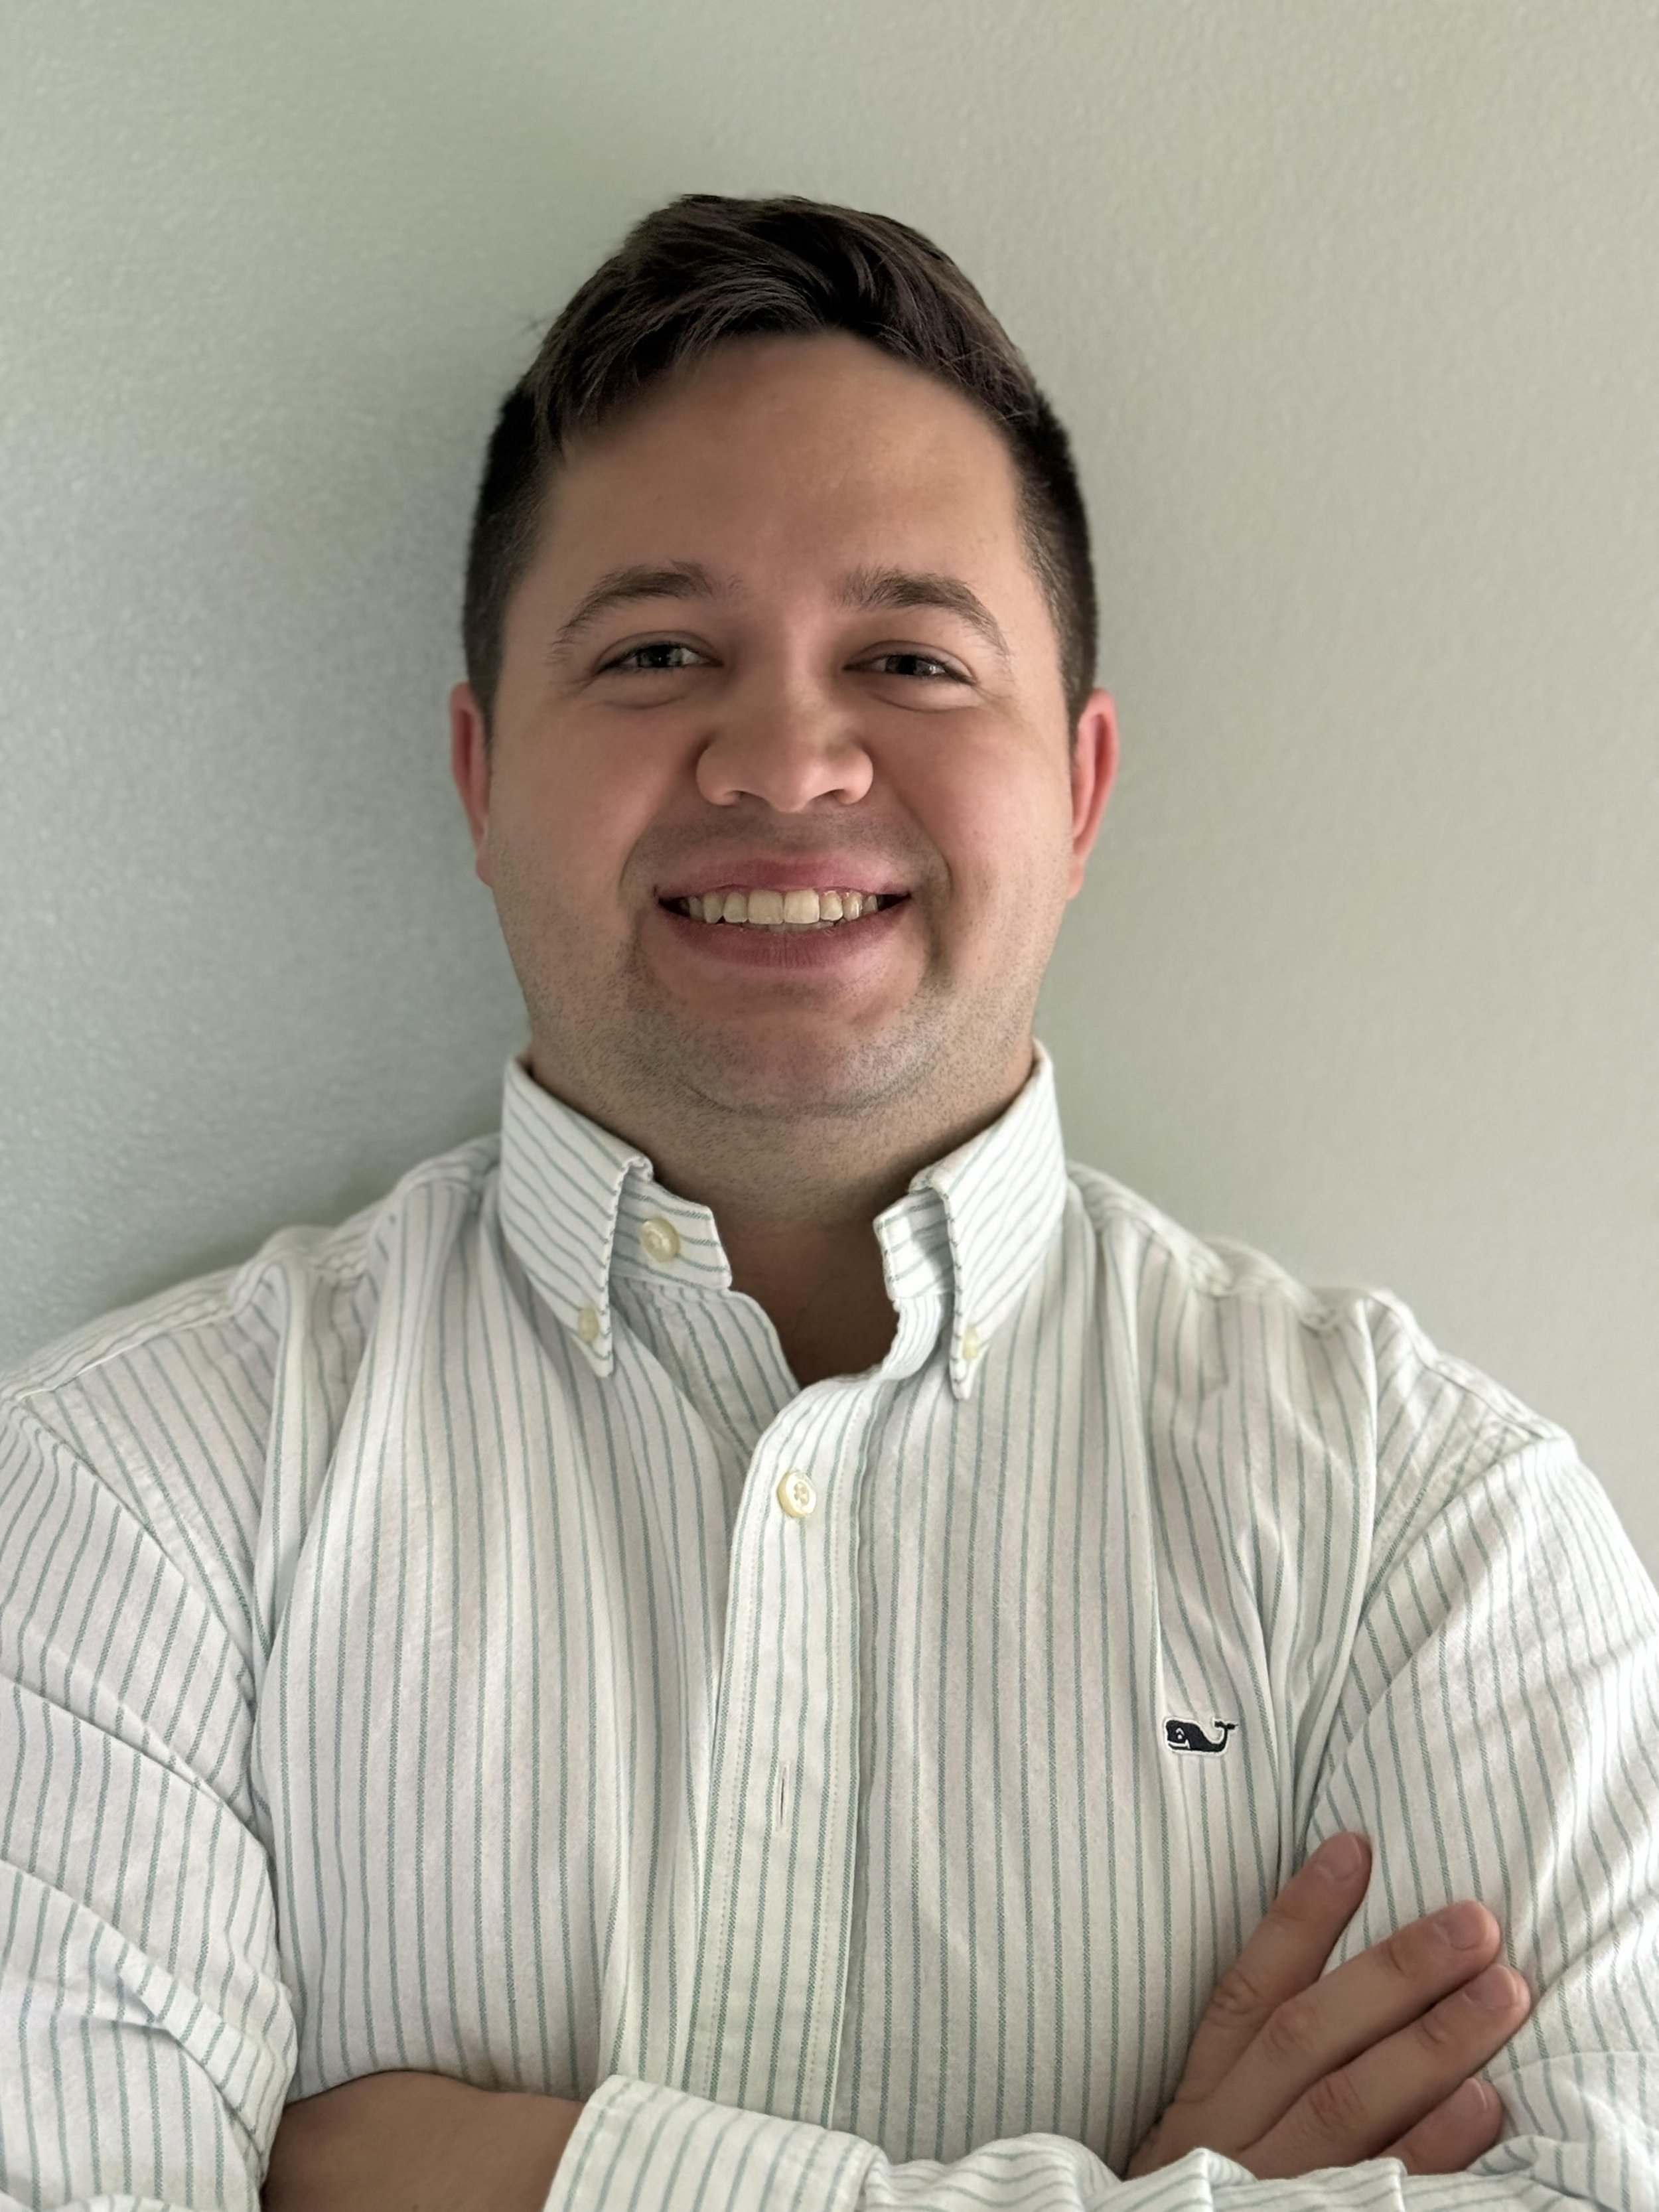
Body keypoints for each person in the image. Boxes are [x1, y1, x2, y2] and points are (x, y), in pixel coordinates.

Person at [2, 192, 1656, 2212]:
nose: (785, 761)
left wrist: (528, 2186)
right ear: (479, 776)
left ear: (1078, 786)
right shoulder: (119, 1504)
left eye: (907, 657)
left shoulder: (1430, 1529)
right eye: (656, 650)